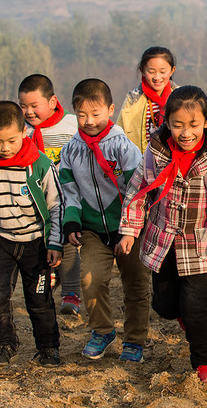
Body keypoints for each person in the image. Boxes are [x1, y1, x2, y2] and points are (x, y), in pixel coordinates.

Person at [117, 86, 207, 384]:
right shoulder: (155, 154)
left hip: (203, 247)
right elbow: (138, 193)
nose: (185, 133)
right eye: (177, 125)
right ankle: (184, 317)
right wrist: (129, 231)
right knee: (164, 306)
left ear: (206, 121)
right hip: (163, 243)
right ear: (167, 123)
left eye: (193, 125)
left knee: (196, 306)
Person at [59, 79, 150, 362]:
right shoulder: (70, 151)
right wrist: (71, 221)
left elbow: (137, 191)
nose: (89, 121)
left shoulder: (124, 147)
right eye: (82, 115)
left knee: (136, 283)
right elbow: (69, 190)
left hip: (127, 228)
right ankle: (103, 330)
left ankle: (134, 340)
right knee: (91, 278)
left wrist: (131, 229)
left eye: (95, 114)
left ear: (110, 110)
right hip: (91, 230)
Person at [0, 101, 63, 367]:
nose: (4, 148)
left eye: (11, 140)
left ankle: (48, 349)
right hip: (0, 240)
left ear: (23, 133)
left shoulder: (39, 165)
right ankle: (5, 344)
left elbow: (56, 204)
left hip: (35, 243)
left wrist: (55, 242)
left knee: (39, 300)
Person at [18, 74, 81, 316]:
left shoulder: (72, 125)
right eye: (23, 106)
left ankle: (71, 294)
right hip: (34, 200)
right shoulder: (21, 129)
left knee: (66, 244)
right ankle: (48, 286)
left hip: (66, 197)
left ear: (53, 101)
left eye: (35, 106)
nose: (28, 111)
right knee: (42, 246)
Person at [116, 46, 179, 153]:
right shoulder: (132, 100)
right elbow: (119, 136)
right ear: (142, 71)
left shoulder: (181, 97)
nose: (157, 77)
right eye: (151, 71)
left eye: (162, 72)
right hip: (140, 162)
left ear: (172, 70)